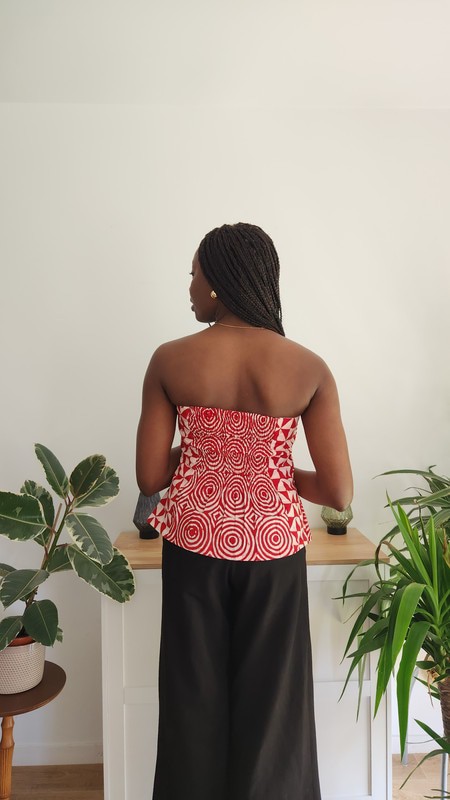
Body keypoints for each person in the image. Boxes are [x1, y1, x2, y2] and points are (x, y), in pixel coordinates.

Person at [136, 222, 353, 800]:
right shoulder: (309, 367)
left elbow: (150, 478)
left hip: (194, 543)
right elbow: (338, 492)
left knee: (191, 702)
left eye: (193, 274)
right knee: (273, 708)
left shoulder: (169, 360)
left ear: (218, 282)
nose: (189, 287)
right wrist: (270, 463)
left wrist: (207, 449)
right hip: (275, 549)